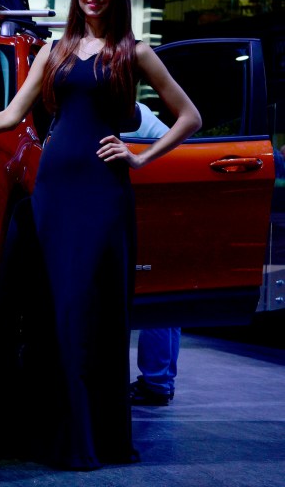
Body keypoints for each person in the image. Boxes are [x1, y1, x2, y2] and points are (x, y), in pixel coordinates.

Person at [0, 0, 201, 470]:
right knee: (50, 311)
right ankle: (53, 432)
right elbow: (11, 114)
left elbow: (190, 117)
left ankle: (91, 438)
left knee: (90, 310)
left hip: (102, 193)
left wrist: (140, 156)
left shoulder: (134, 52)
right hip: (54, 191)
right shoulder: (54, 49)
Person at [124, 103, 181, 407]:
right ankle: (159, 381)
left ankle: (157, 381)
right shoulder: (135, 111)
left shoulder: (132, 112)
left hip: (148, 210)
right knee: (163, 297)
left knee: (157, 297)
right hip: (160, 207)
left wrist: (138, 159)